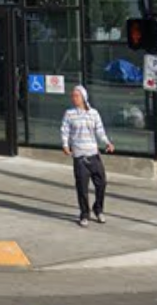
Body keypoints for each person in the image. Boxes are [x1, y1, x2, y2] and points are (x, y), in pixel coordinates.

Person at [60, 84, 114, 227]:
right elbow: (64, 130)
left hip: (93, 154)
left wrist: (107, 142)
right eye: (73, 96)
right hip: (79, 157)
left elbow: (100, 131)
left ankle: (98, 209)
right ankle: (84, 214)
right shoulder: (69, 114)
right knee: (82, 187)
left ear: (83, 97)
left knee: (101, 183)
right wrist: (65, 145)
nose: (74, 98)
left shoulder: (94, 113)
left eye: (76, 96)